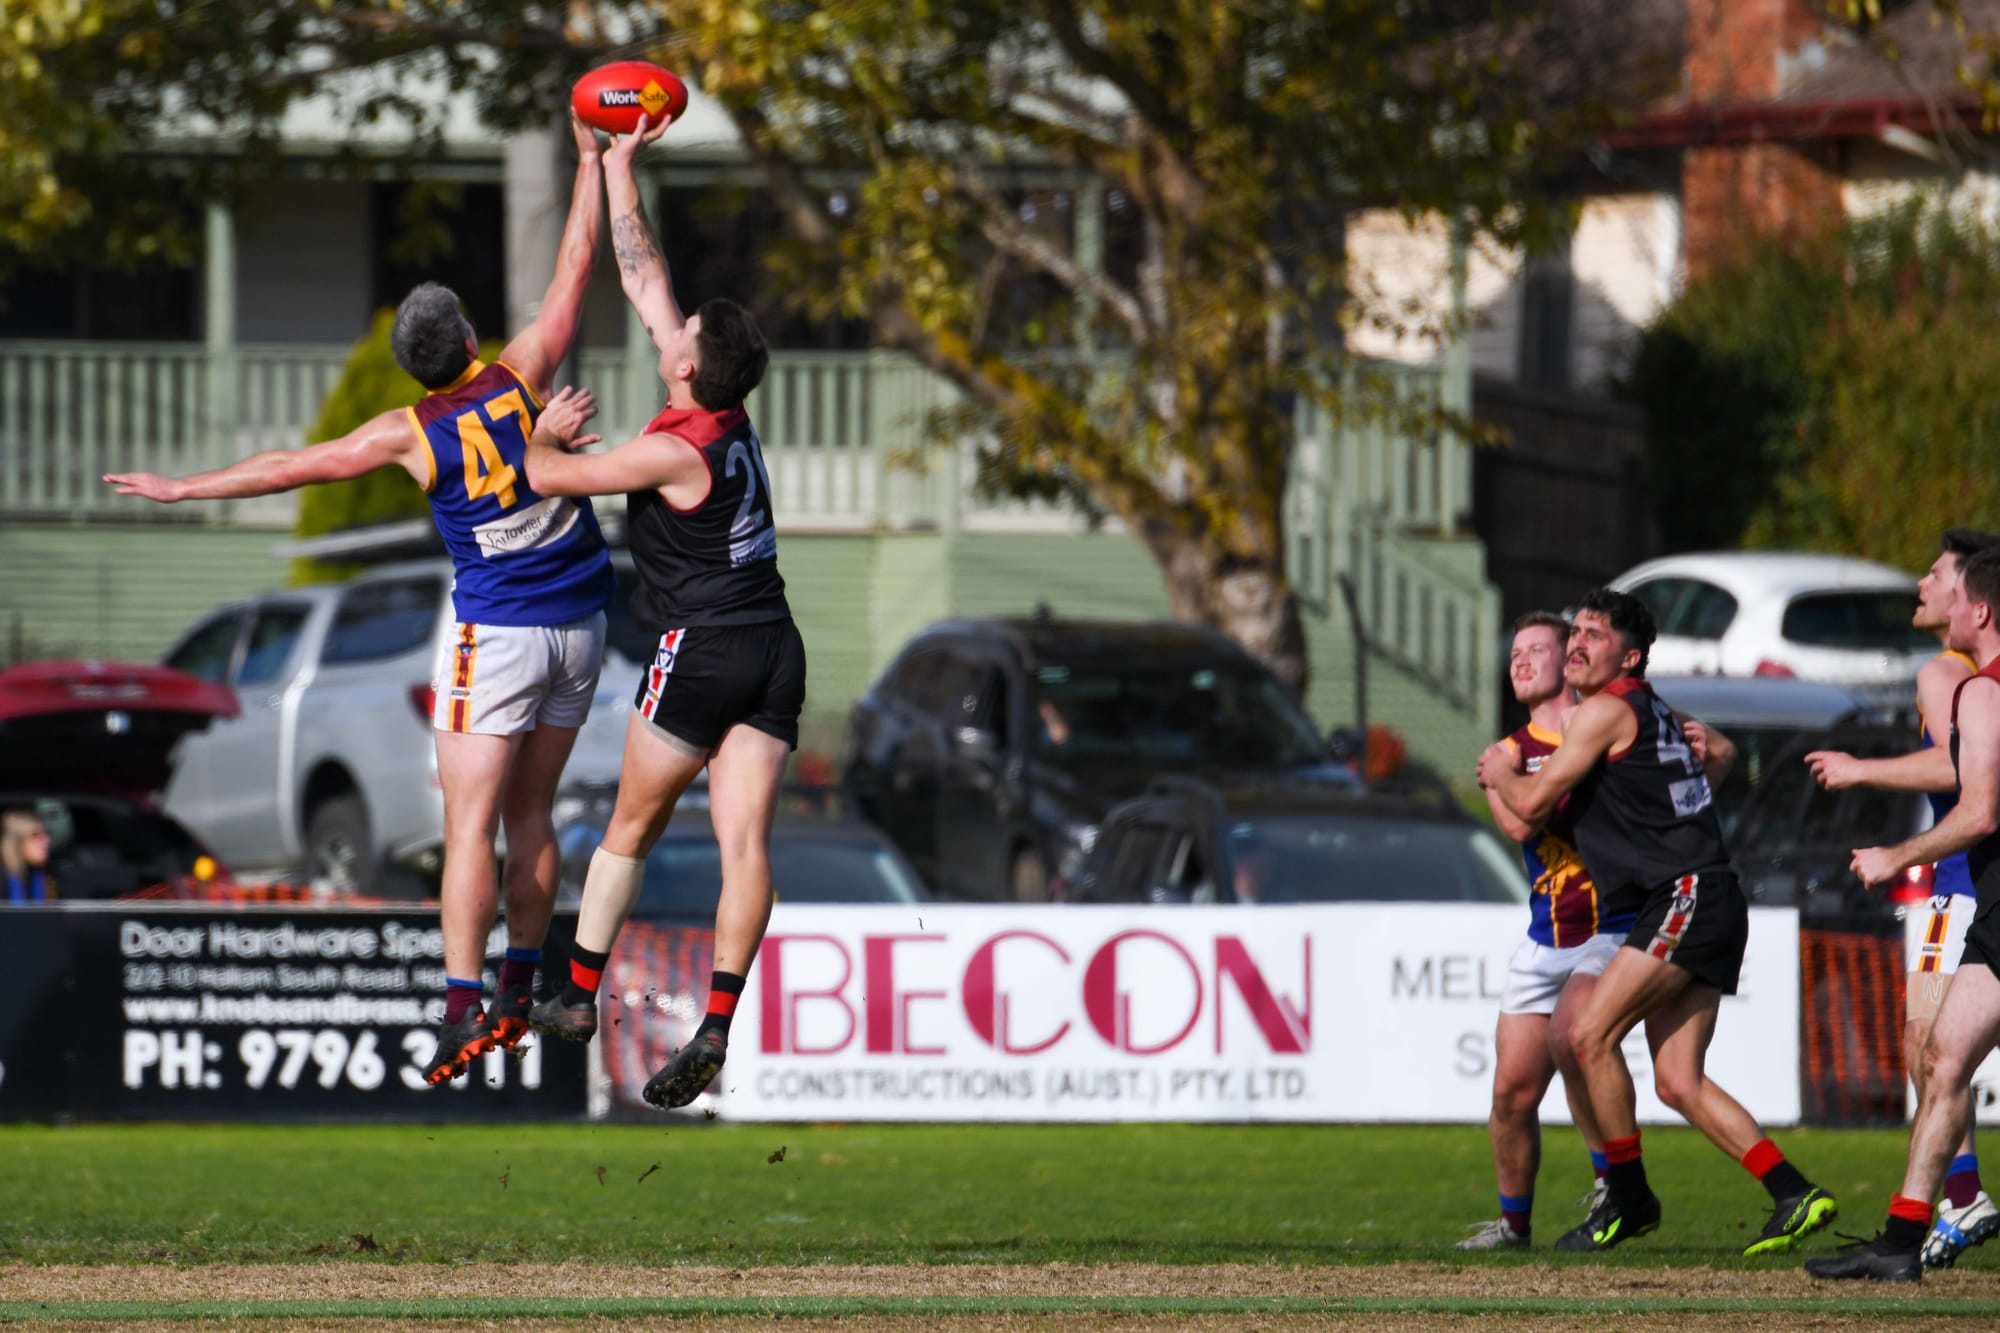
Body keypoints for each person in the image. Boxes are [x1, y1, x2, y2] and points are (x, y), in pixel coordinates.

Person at [102, 112, 613, 1085]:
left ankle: (465, 1007)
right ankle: (518, 983)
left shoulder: (407, 433)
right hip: (581, 625)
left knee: (469, 826)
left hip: (496, 631)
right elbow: (574, 267)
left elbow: (292, 466)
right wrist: (593, 160)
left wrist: (186, 487)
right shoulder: (520, 375)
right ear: (468, 335)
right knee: (535, 818)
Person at [520, 112, 806, 1111]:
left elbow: (557, 476)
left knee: (628, 829)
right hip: (775, 645)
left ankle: (577, 995)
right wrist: (614, 166)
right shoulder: (723, 417)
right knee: (744, 847)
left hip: (708, 646)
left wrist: (539, 434)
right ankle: (717, 1026)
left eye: (680, 333)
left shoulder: (669, 448)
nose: (668, 327)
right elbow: (644, 275)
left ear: (687, 364)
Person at [1478, 588, 1836, 1256]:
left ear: (1631, 655)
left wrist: (1500, 772)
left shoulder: (1607, 709)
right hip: (1711, 893)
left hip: (1686, 895)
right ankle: (1795, 1191)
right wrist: (1718, 752)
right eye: (1575, 630)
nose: (1578, 641)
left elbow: (1529, 799)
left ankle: (1629, 1193)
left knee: (1585, 1033)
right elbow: (1720, 753)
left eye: (1595, 634)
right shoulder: (1652, 709)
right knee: (1677, 1079)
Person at [1803, 527, 2000, 1268]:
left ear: (1973, 600)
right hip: (1974, 888)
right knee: (1937, 1053)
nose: (1923, 585)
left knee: (1931, 1048)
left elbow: (1968, 789)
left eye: (1937, 573)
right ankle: (1914, 1228)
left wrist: (1864, 776)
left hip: (1958, 886)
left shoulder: (1957, 677)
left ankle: (1961, 1197)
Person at [1457, 611, 1633, 1251]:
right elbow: (1520, 827)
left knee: (1578, 1043)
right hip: (1545, 936)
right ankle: (1513, 1225)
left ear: (1570, 660)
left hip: (1611, 928)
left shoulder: (1608, 727)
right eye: (1515, 654)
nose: (1521, 661)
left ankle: (1615, 1186)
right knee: (1511, 1092)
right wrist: (1512, 779)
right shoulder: (1509, 751)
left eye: (1537, 649)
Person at [1, 811, 55, 902]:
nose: (47, 840)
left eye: (45, 833)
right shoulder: (3, 879)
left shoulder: (46, 876)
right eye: (35, 835)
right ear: (17, 842)